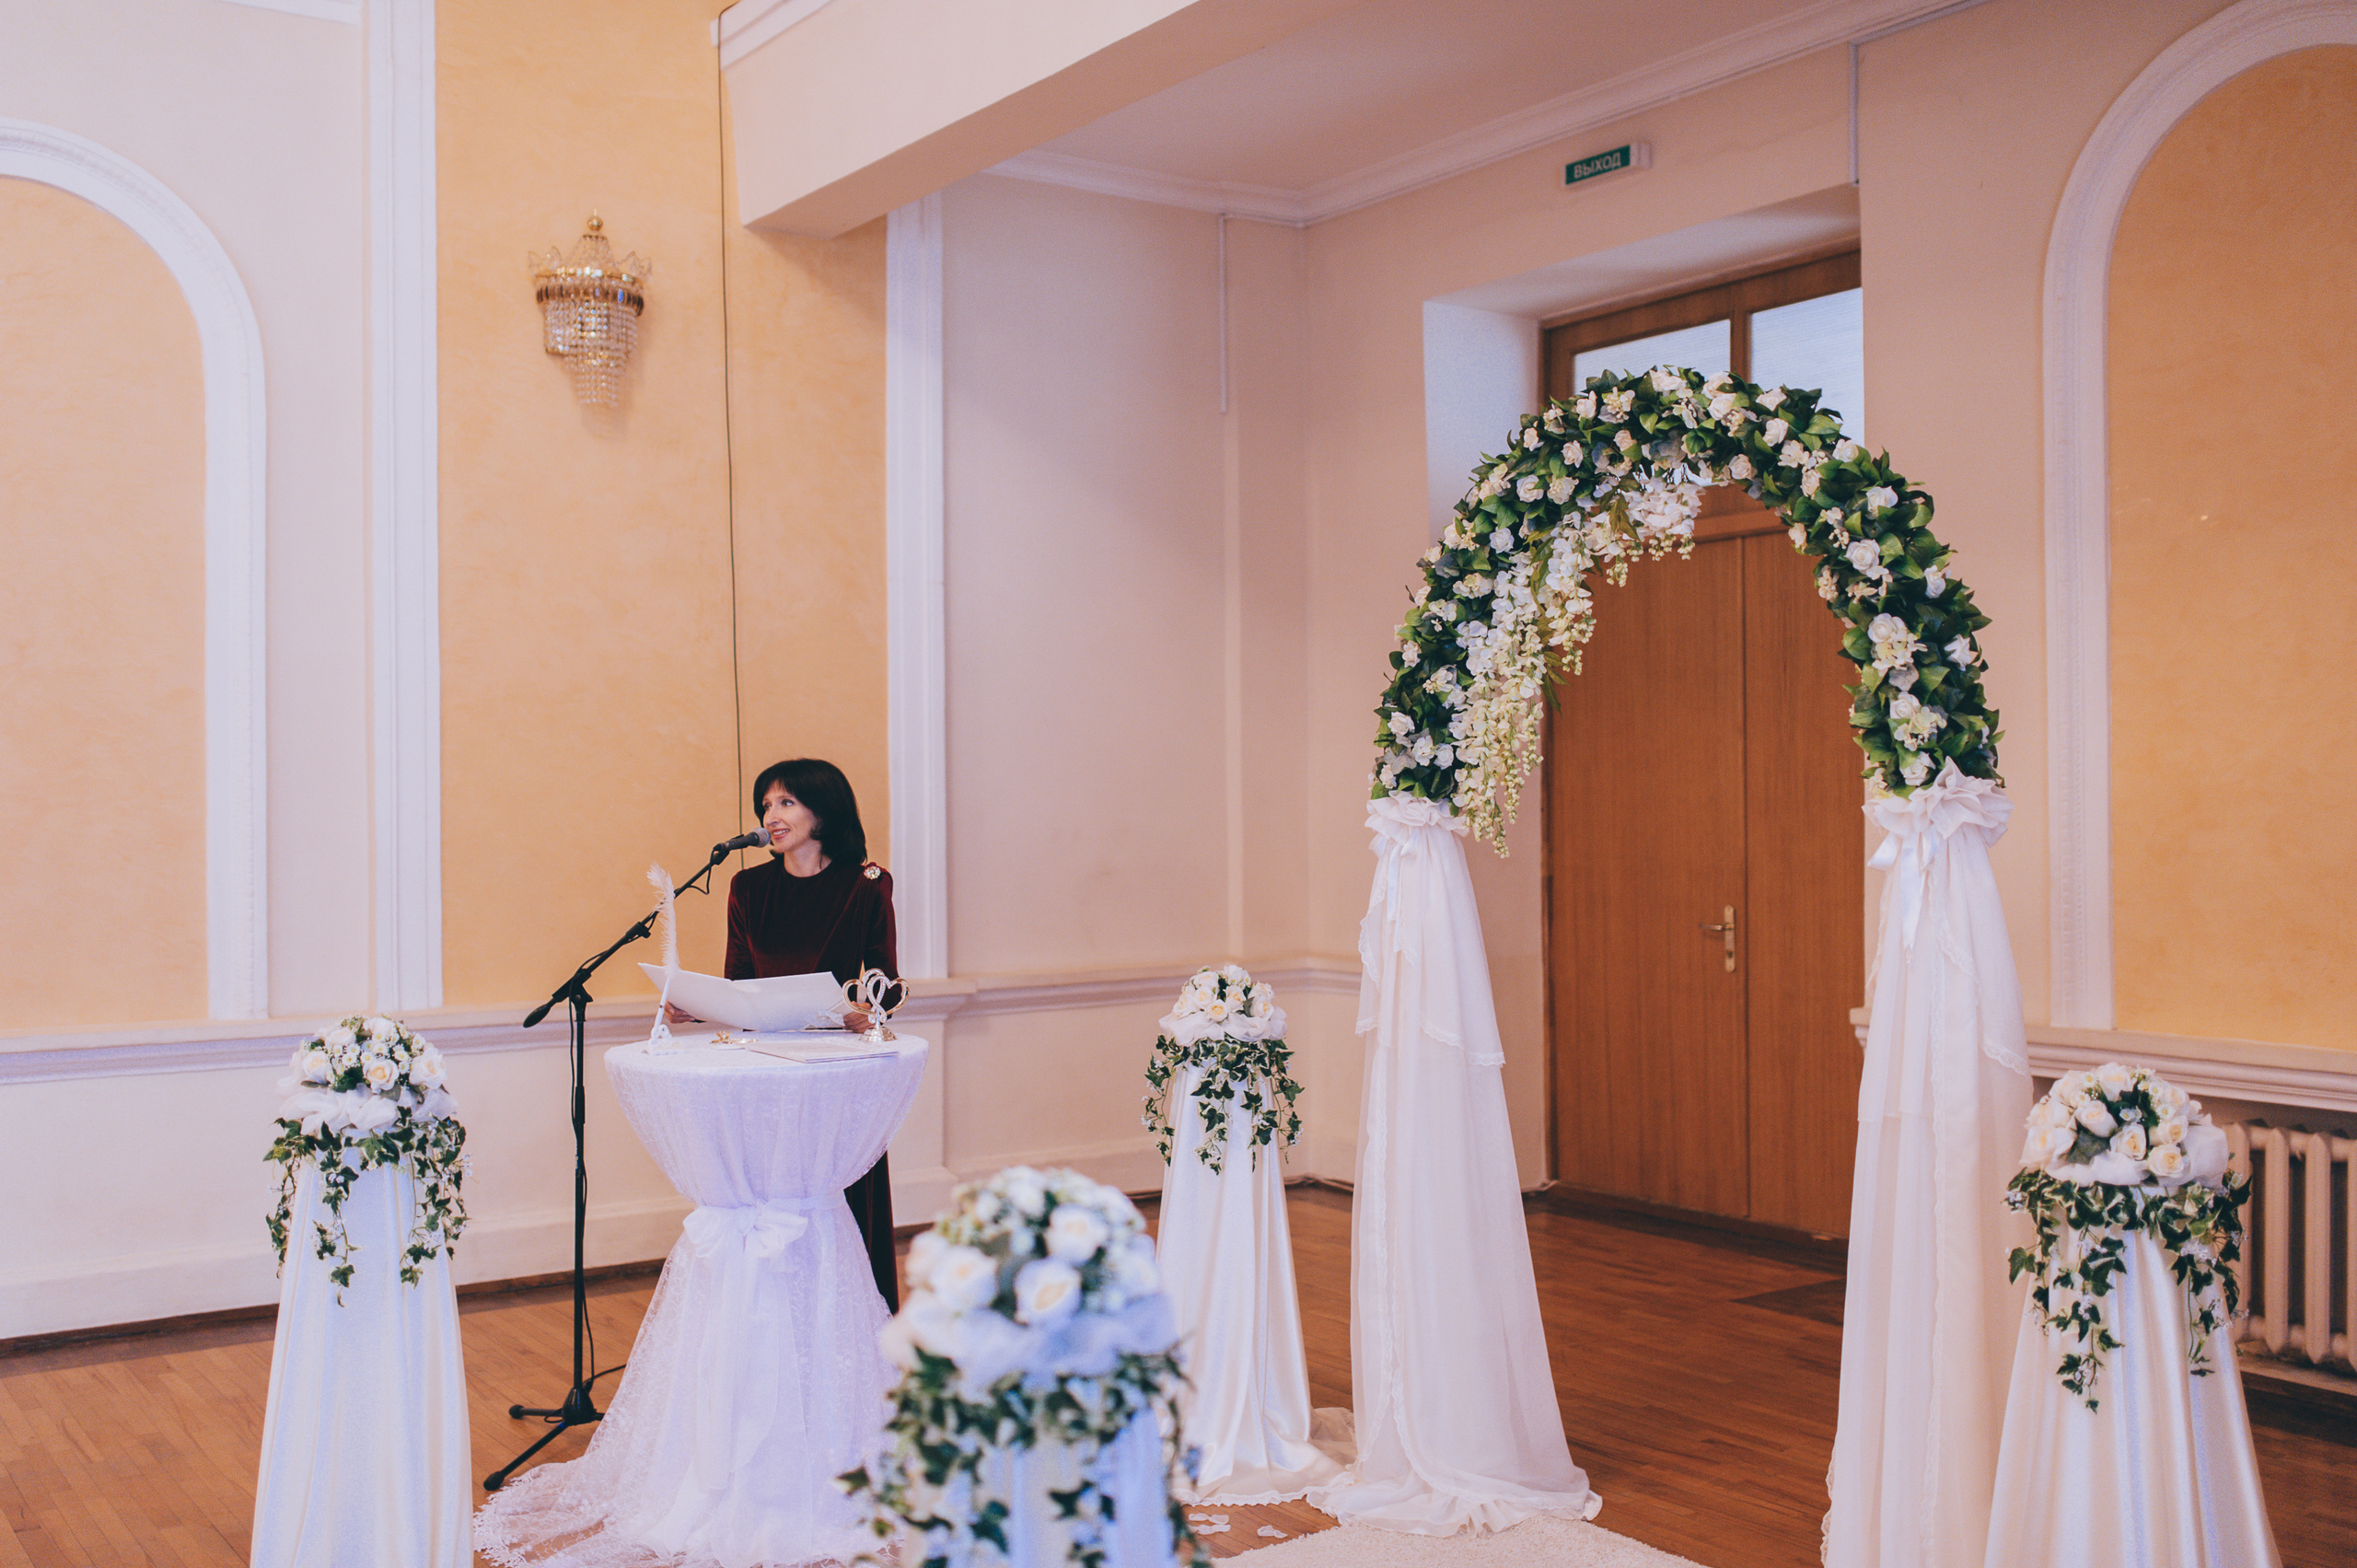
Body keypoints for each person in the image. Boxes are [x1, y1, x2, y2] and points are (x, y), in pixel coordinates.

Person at [679, 757, 903, 1309]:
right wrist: (697, 1006)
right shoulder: (748, 887)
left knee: (837, 1199)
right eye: (765, 805)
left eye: (784, 802)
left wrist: (865, 1007)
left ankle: (852, 1328)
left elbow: (887, 986)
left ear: (822, 811)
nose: (769, 816)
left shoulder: (867, 883)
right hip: (767, 1071)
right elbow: (740, 986)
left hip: (835, 1073)